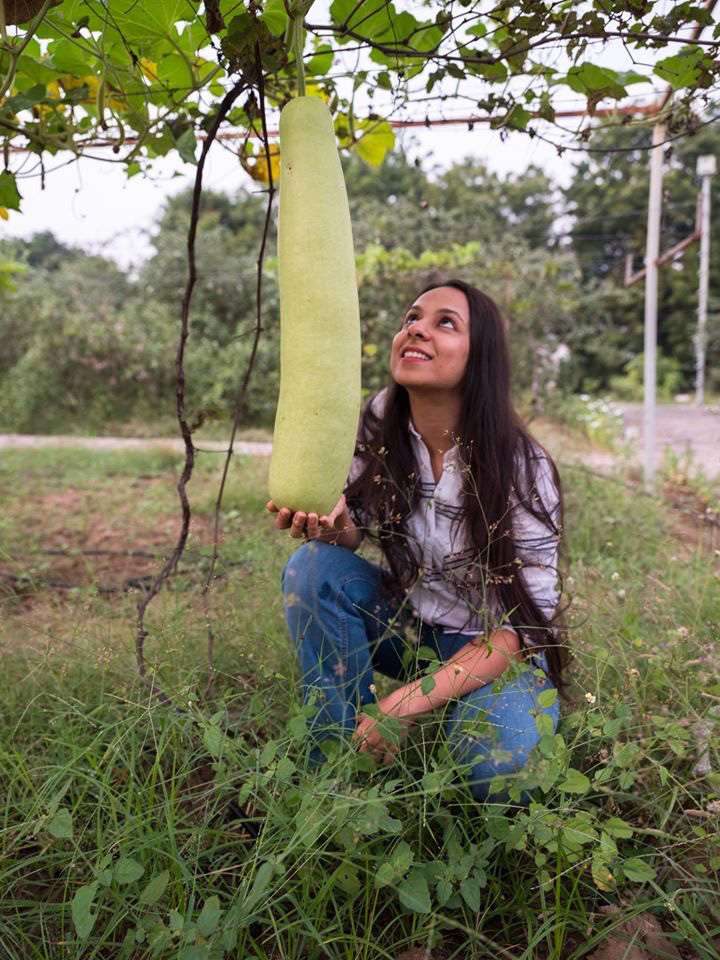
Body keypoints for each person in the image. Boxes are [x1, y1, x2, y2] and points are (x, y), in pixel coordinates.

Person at [267, 279, 569, 804]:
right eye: (412, 317)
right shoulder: (381, 420)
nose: (415, 329)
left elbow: (522, 630)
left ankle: (463, 713)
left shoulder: (522, 466)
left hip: (496, 650)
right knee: (313, 565)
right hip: (412, 630)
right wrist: (330, 523)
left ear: (481, 359)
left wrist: (401, 705)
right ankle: (334, 768)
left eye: (444, 322)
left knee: (499, 773)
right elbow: (354, 528)